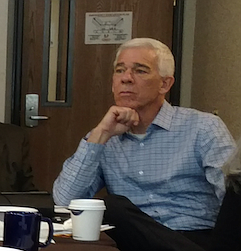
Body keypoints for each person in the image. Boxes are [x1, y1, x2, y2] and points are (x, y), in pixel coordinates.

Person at [52, 38, 236, 251]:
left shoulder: (203, 127)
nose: (127, 79)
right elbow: (64, 202)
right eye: (120, 70)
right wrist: (100, 134)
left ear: (165, 84)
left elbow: (233, 199)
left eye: (140, 71)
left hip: (192, 238)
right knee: (113, 207)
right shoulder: (104, 138)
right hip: (131, 240)